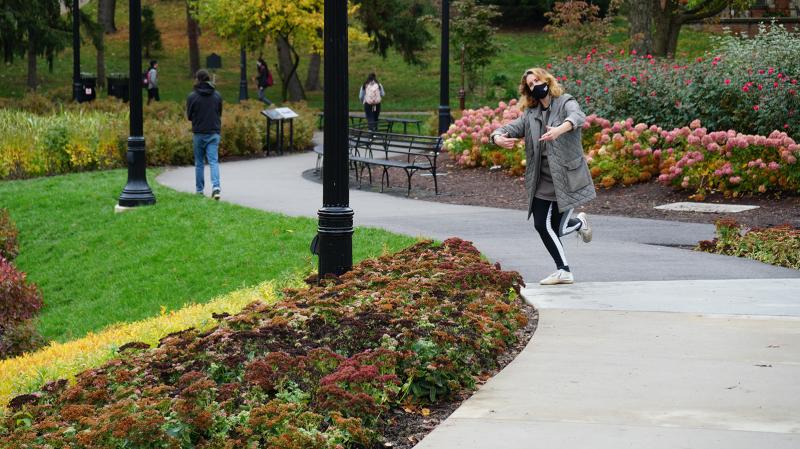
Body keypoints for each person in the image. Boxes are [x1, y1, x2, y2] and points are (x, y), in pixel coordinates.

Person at [490, 67, 595, 285]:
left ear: (546, 80)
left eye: (537, 80)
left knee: (556, 228)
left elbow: (578, 116)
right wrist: (497, 137)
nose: (535, 85)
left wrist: (560, 129)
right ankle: (564, 268)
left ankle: (571, 245)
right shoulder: (531, 114)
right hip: (542, 180)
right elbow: (509, 128)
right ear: (528, 91)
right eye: (530, 84)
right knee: (542, 225)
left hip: (566, 179)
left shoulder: (565, 101)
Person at [186, 69, 223, 200]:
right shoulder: (217, 95)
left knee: (199, 163)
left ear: (197, 79)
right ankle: (216, 187)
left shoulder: (192, 97)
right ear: (208, 79)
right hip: (213, 132)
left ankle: (199, 190)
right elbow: (219, 113)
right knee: (213, 161)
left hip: (199, 133)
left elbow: (189, 116)